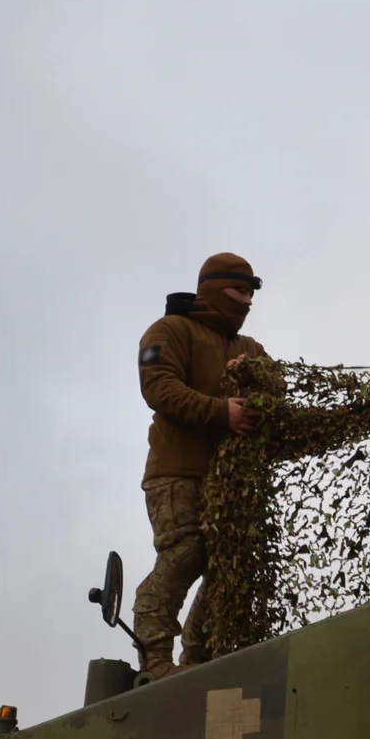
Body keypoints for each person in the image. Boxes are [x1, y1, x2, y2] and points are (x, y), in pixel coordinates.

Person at [131, 253, 270, 679]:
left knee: (231, 563)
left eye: (250, 294)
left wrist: (255, 378)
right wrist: (220, 411)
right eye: (239, 291)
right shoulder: (170, 330)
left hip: (230, 480)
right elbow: (159, 388)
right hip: (177, 471)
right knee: (186, 553)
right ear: (213, 289)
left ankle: (198, 663)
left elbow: (276, 388)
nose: (247, 302)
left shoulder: (248, 349)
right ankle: (155, 660)